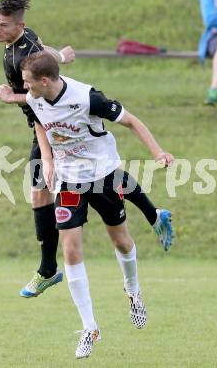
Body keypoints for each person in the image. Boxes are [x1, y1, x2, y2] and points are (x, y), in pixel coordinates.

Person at [0, 0, 173, 300]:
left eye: (3, 25)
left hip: (57, 124)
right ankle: (153, 215)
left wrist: (12, 97)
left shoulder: (21, 57)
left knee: (87, 179)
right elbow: (44, 59)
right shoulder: (23, 40)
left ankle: (48, 269)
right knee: (57, 188)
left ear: (19, 25)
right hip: (44, 125)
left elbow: (36, 94)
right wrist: (60, 56)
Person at [20, 51, 174, 358]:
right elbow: (38, 120)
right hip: (68, 182)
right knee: (71, 250)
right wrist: (48, 160)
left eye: (27, 81)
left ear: (45, 80)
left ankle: (133, 290)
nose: (25, 87)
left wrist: (158, 152)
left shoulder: (87, 98)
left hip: (103, 176)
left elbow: (131, 120)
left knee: (120, 240)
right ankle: (89, 327)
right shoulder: (35, 97)